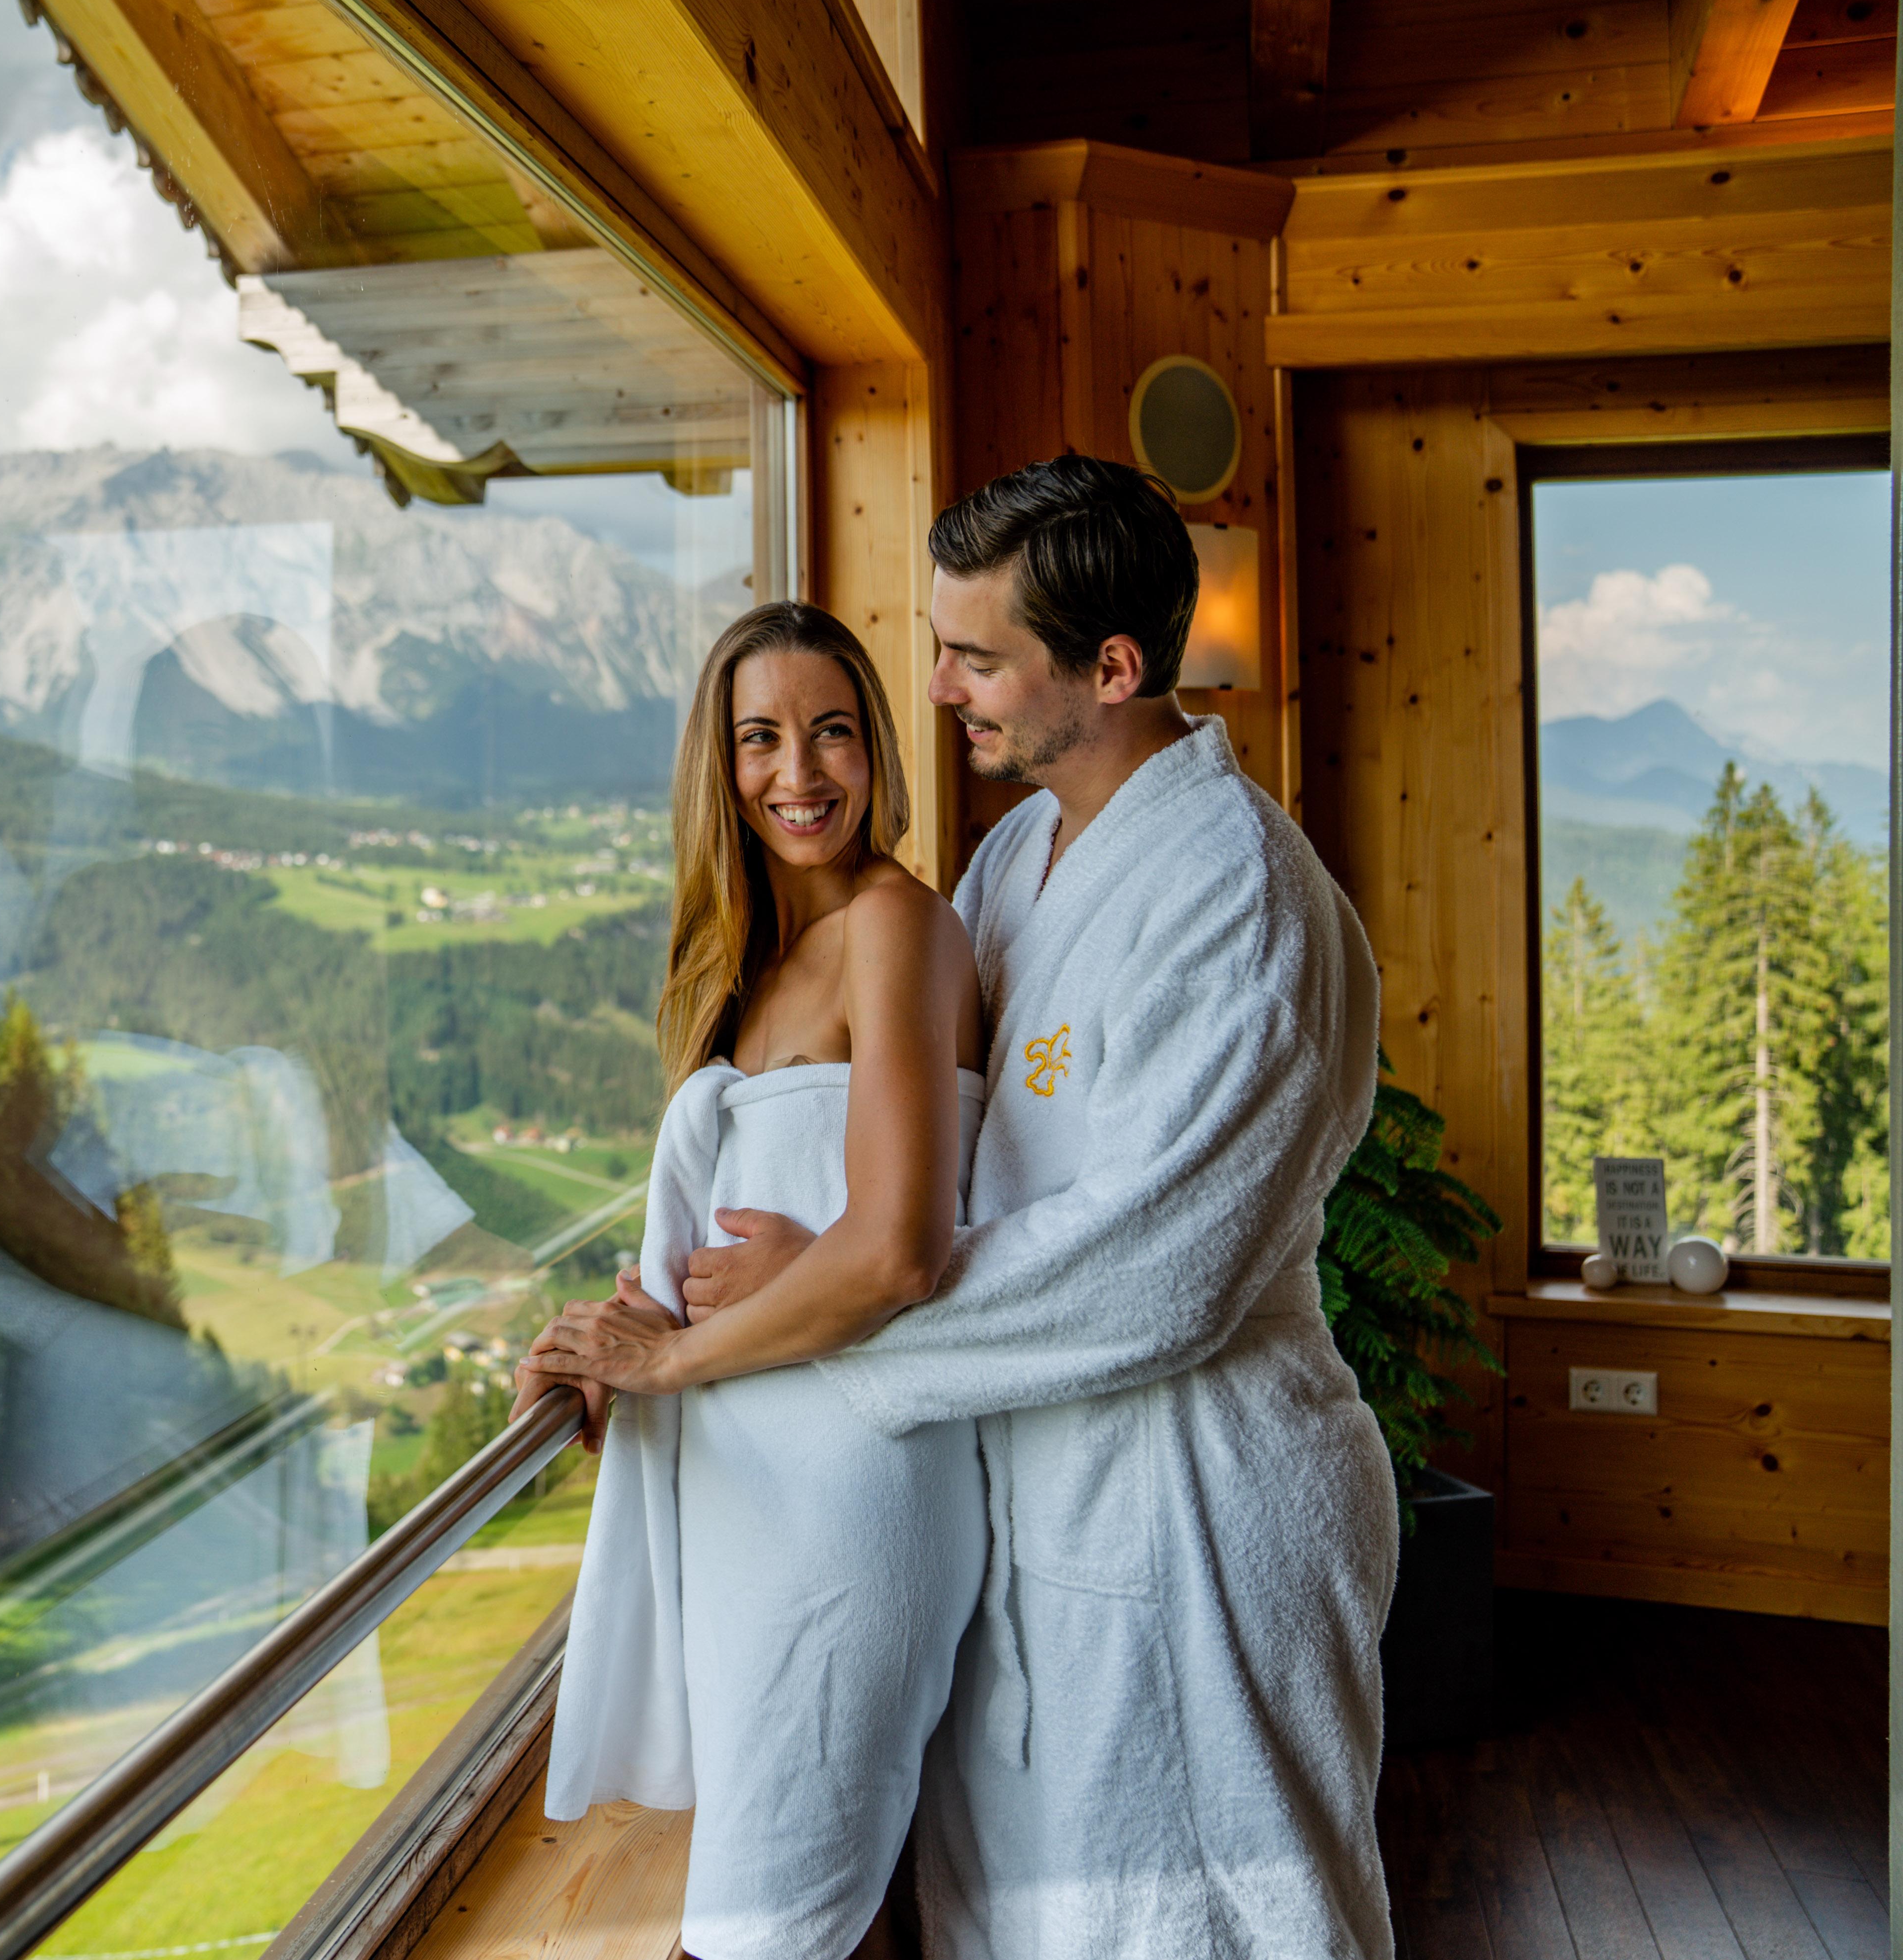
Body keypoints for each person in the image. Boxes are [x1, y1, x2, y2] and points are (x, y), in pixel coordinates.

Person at [523, 455, 1396, 1959]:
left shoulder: (1237, 895)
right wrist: (713, 1306)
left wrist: (830, 1300)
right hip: (1029, 1490)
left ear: (1110, 668)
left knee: (1216, 1918)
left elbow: (1163, 1271)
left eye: (977, 658)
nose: (937, 690)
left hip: (1192, 1500)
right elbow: (881, 1147)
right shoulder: (1011, 865)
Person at [520, 601, 990, 1960]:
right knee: (831, 1909)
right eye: (762, 738)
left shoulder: (899, 925)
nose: (800, 772)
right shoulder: (749, 964)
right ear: (718, 767)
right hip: (745, 1494)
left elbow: (897, 1249)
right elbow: (734, 1239)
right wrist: (604, 1342)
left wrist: (666, 1359)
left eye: (832, 731)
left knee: (756, 1924)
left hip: (850, 1494)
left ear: (877, 748)